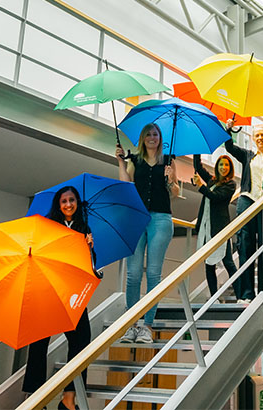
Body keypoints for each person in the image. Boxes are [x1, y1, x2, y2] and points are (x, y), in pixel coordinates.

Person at [22, 186, 94, 410]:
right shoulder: (48, 227)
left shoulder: (84, 229)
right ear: (58, 204)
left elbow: (90, 268)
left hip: (73, 295)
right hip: (48, 292)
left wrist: (90, 248)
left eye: (72, 200)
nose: (68, 204)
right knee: (38, 344)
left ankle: (69, 397)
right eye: (64, 201)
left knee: (81, 342)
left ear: (77, 203)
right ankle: (36, 397)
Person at [115, 123, 178, 344]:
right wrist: (121, 162)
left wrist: (171, 179)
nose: (152, 137)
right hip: (136, 218)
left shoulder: (168, 160)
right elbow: (126, 184)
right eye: (148, 134)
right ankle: (132, 325)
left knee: (153, 274)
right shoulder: (135, 160)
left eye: (155, 134)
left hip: (161, 219)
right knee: (133, 275)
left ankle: (147, 326)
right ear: (143, 138)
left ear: (160, 138)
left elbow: (176, 192)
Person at [224, 120, 263, 303]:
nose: (260, 138)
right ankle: (246, 293)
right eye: (257, 135)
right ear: (253, 139)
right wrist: (229, 129)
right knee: (245, 246)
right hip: (247, 201)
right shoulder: (248, 155)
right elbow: (229, 147)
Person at [193, 154, 239, 300]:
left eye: (226, 165)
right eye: (221, 165)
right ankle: (214, 297)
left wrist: (200, 186)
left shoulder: (231, 185)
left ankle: (240, 295)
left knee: (228, 262)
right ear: (217, 167)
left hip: (220, 229)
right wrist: (197, 151)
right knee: (209, 264)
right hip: (206, 227)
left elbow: (216, 197)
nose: (223, 167)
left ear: (230, 168)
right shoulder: (211, 180)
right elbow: (198, 167)